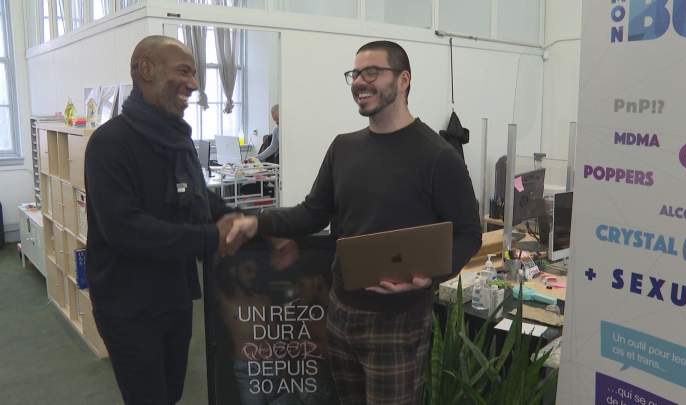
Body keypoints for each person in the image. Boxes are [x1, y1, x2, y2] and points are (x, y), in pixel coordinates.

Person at [231, 40, 482, 404]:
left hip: (399, 322)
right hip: (341, 312)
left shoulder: (439, 156)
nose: (360, 82)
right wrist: (257, 223)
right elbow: (312, 212)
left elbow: (468, 233)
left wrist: (432, 275)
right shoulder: (343, 148)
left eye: (372, 72)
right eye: (355, 74)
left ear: (403, 80)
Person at [84, 35, 246, 405]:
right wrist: (211, 237)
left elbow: (200, 200)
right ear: (146, 70)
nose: (194, 83)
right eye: (184, 72)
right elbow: (125, 229)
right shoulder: (109, 143)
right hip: (128, 306)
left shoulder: (178, 140)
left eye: (195, 74)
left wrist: (251, 223)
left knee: (171, 394)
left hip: (176, 296)